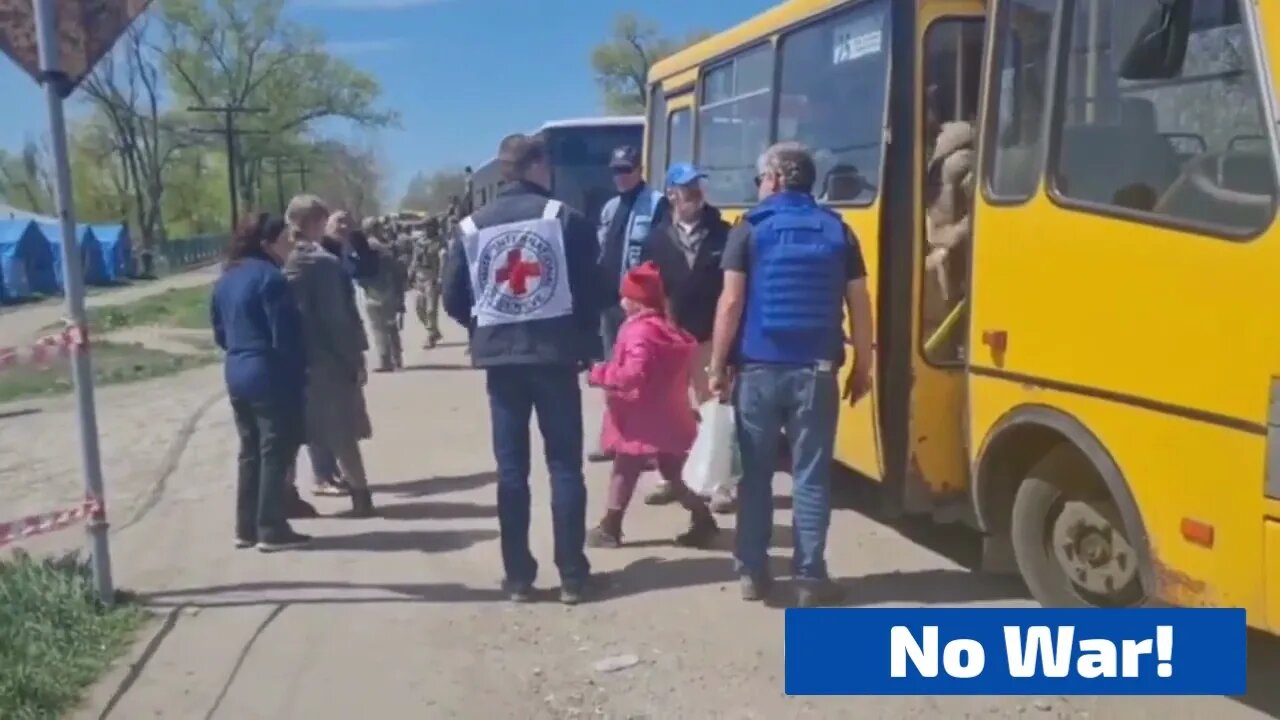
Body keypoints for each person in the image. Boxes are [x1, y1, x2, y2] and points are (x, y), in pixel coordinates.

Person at [707, 142, 874, 607]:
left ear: (777, 179)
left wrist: (717, 366)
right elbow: (859, 303)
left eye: (761, 178)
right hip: (818, 371)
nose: (759, 186)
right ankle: (809, 577)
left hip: (758, 370)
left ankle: (753, 572)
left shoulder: (750, 229)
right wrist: (864, 363)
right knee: (812, 476)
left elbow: (731, 303)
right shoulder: (839, 230)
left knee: (756, 476)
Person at [443, 133, 602, 605]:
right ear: (535, 165)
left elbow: (453, 296)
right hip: (554, 358)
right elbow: (593, 289)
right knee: (564, 467)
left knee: (511, 472)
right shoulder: (565, 220)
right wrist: (579, 333)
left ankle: (518, 578)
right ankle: (572, 575)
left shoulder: (471, 227)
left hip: (502, 362)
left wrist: (485, 323)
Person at [585, 261, 718, 549]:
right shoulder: (668, 329)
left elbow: (634, 374)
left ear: (637, 302)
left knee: (624, 470)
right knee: (675, 473)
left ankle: (611, 525)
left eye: (626, 296)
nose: (621, 301)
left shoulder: (638, 332)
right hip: (666, 417)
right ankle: (702, 518)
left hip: (638, 419)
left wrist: (600, 374)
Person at [210, 213, 311, 552]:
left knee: (250, 450)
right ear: (267, 243)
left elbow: (220, 332)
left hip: (237, 369)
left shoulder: (226, 279)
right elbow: (285, 336)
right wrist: (300, 373)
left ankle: (246, 526)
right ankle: (271, 527)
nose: (290, 244)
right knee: (275, 449)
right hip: (269, 371)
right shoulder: (272, 280)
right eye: (284, 238)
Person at [638, 162, 731, 509]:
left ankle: (720, 484)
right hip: (669, 339)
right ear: (671, 193)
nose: (693, 192)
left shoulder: (724, 233)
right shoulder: (655, 238)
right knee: (670, 412)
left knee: (715, 410)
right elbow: (646, 288)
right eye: (685, 186)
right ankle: (670, 479)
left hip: (710, 338)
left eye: (697, 185)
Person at [283, 195, 377, 518]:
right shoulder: (323, 263)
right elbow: (338, 319)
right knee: (342, 432)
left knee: (293, 433)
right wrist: (354, 358)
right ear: (313, 223)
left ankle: (286, 494)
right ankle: (361, 495)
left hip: (291, 362)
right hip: (328, 361)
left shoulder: (281, 261)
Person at [589, 145, 665, 463]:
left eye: (627, 170)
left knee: (645, 375)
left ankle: (647, 442)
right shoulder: (609, 207)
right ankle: (614, 438)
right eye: (616, 171)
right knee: (614, 372)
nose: (621, 177)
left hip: (642, 304)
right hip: (610, 299)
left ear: (640, 169)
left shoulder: (657, 204)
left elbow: (663, 251)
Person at [359, 217, 406, 372]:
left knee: (378, 328)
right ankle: (396, 359)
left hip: (371, 292)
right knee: (390, 326)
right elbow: (397, 271)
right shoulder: (387, 248)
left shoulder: (363, 249)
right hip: (387, 291)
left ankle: (386, 360)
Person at [410, 215, 446, 349]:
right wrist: (410, 274)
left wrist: (441, 277)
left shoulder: (440, 242)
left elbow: (443, 260)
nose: (425, 229)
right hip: (420, 276)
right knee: (419, 308)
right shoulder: (419, 242)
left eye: (428, 226)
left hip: (432, 276)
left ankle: (430, 335)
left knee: (431, 309)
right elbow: (414, 259)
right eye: (424, 226)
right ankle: (434, 331)